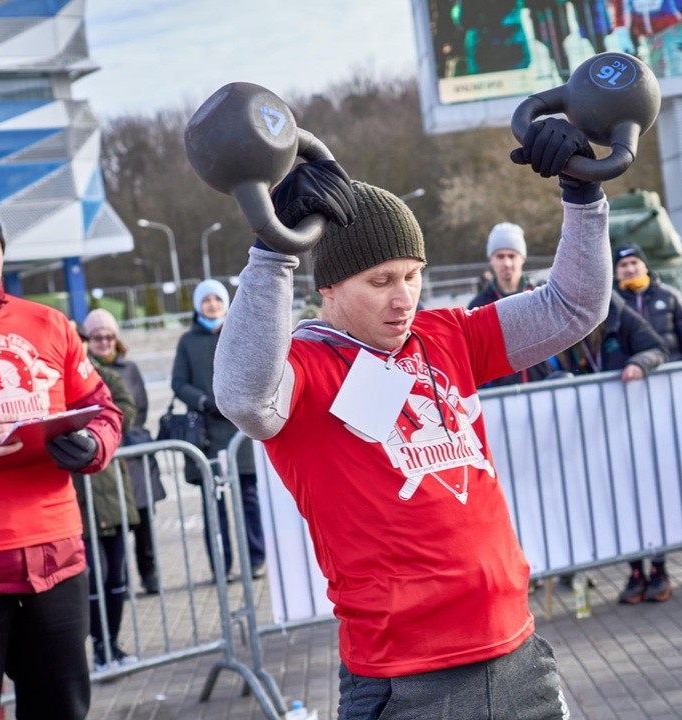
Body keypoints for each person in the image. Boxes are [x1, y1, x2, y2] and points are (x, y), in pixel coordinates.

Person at [213, 117, 610, 719]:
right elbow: (245, 399)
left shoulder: (445, 334)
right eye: (380, 282)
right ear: (330, 287)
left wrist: (584, 194)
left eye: (412, 276)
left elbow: (573, 306)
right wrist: (273, 254)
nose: (404, 299)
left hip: (517, 649)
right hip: (408, 675)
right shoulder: (304, 367)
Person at [0, 197, 123, 719]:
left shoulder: (50, 324)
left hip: (56, 561)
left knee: (63, 710)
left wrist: (95, 444)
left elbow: (102, 408)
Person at [612, 243, 682, 602]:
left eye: (634, 262)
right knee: (628, 493)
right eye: (623, 265)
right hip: (622, 413)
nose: (629, 270)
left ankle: (661, 567)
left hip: (666, 408)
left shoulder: (670, 297)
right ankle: (636, 570)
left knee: (660, 486)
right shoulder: (608, 305)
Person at [172, 279, 266, 580]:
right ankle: (221, 565)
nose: (212, 305)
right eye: (206, 300)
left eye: (217, 299)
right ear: (197, 305)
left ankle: (256, 558)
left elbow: (257, 369)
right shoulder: (188, 341)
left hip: (241, 431)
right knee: (216, 504)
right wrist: (202, 401)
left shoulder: (240, 333)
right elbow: (178, 383)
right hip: (209, 434)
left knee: (249, 499)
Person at [72, 324, 140, 671]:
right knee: (91, 576)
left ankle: (111, 643)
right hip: (76, 499)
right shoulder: (50, 382)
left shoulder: (104, 379)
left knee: (116, 575)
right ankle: (97, 646)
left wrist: (87, 432)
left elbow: (125, 411)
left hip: (110, 489)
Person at [84, 308, 166, 595]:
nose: (104, 342)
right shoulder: (85, 371)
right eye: (97, 337)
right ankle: (121, 579)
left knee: (143, 519)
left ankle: (149, 571)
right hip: (107, 456)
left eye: (108, 336)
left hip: (132, 450)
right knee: (115, 523)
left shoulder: (129, 369)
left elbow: (138, 406)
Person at [469, 222, 554, 386]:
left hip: (545, 388)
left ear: (522, 258)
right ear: (491, 260)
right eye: (500, 257)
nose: (507, 263)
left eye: (512, 256)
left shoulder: (542, 297)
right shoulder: (478, 306)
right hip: (502, 396)